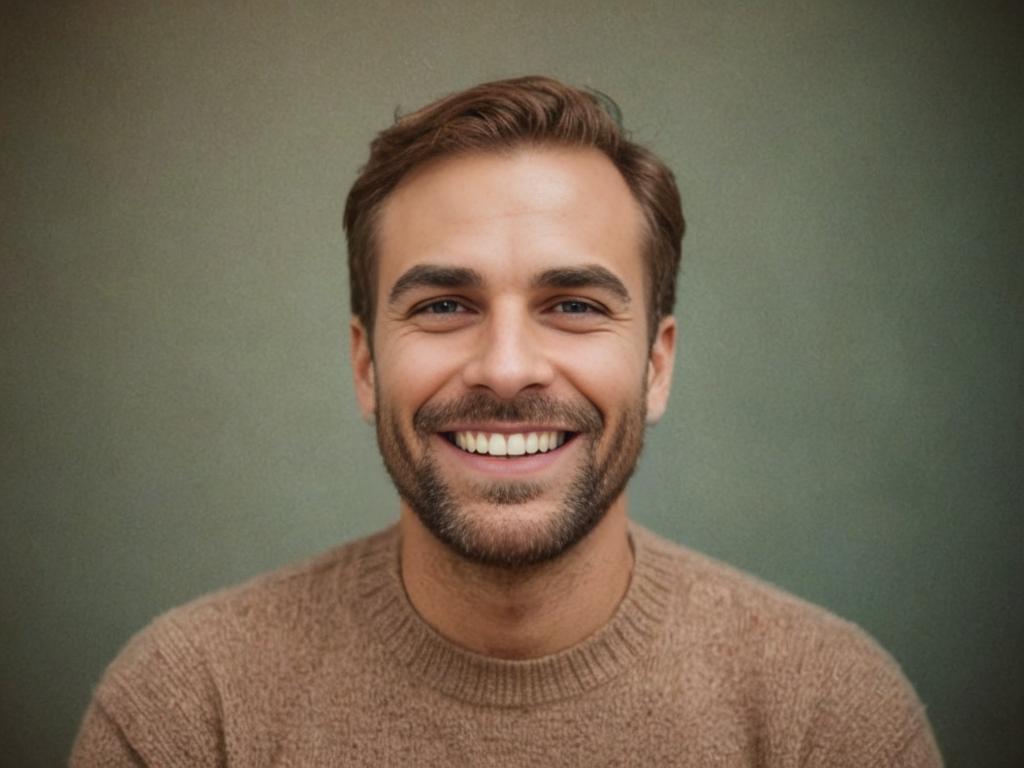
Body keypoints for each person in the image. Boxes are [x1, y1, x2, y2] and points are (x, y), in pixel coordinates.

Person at [71, 76, 942, 766]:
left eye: (572, 305)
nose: (508, 368)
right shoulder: (189, 710)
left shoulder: (828, 715)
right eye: (446, 304)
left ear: (658, 363)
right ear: (366, 364)